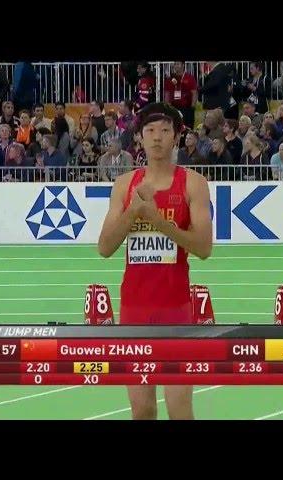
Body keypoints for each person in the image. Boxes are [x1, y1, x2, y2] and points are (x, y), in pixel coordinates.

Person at [97, 102, 212, 420]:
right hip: (134, 310)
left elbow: (204, 247)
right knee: (142, 410)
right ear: (140, 138)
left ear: (176, 137)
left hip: (176, 311)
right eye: (150, 131)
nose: (157, 137)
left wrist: (158, 220)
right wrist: (134, 211)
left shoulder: (193, 184)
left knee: (179, 409)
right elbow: (104, 248)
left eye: (164, 130)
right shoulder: (124, 186)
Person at [163, 61, 198, 129]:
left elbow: (194, 93)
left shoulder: (190, 78)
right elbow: (167, 94)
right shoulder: (169, 79)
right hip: (173, 108)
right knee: (174, 128)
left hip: (187, 108)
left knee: (187, 128)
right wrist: (167, 107)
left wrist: (192, 107)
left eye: (178, 64)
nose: (176, 66)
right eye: (175, 64)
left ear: (183, 65)